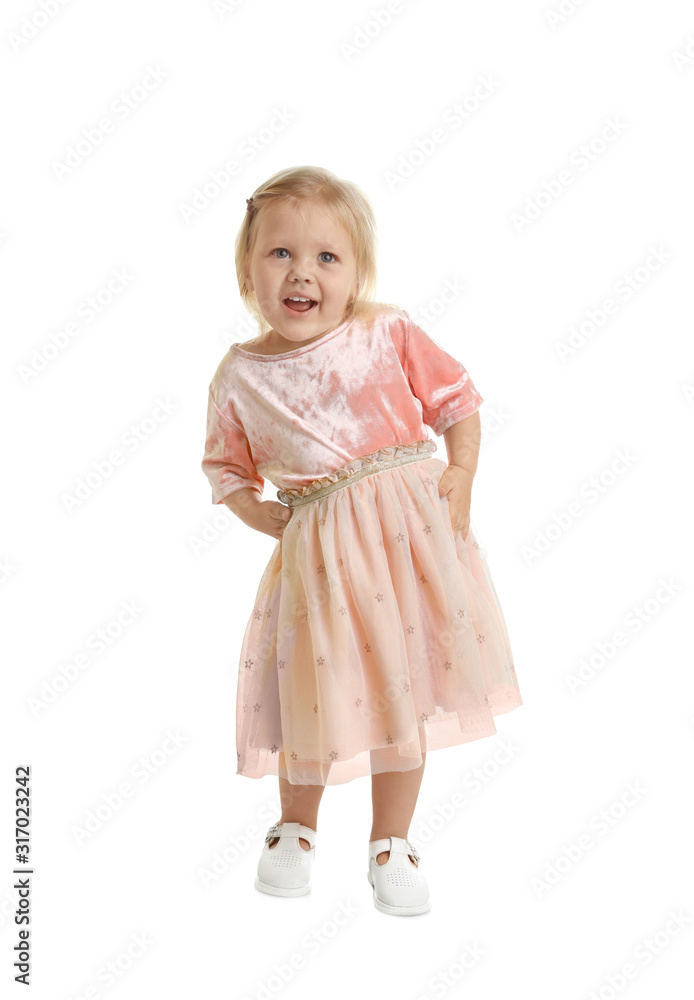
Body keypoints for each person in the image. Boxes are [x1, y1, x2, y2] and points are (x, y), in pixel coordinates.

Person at [201, 165, 523, 916]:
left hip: (408, 543)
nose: (302, 273)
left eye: (326, 257)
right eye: (280, 254)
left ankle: (393, 840)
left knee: (403, 687)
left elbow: (457, 399)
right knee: (311, 687)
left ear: (355, 275)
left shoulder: (387, 331)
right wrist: (259, 513)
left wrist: (464, 470)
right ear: (248, 270)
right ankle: (295, 827)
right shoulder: (240, 374)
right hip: (319, 559)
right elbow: (224, 466)